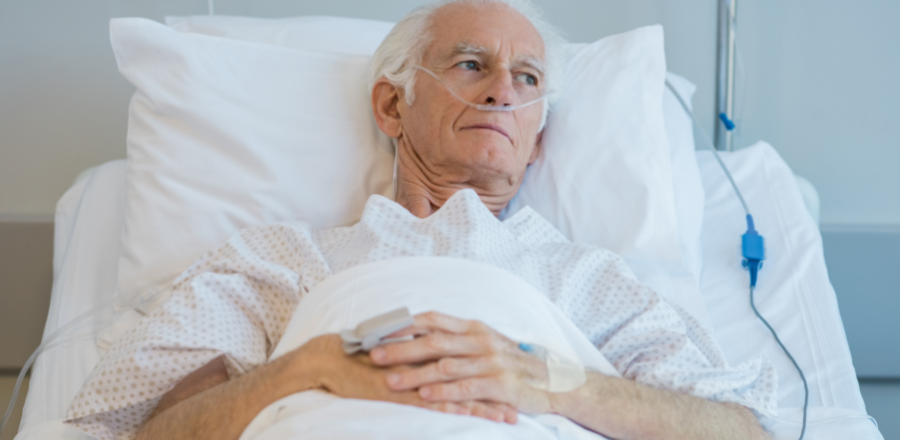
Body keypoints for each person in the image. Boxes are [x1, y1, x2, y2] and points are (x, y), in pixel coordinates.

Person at [64, 1, 774, 439]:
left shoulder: (589, 280)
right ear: (391, 107)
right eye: (471, 64)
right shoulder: (279, 261)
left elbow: (738, 433)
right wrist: (304, 370)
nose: (503, 89)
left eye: (528, 79)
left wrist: (552, 383)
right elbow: (157, 434)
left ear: (538, 140)